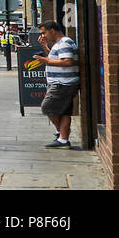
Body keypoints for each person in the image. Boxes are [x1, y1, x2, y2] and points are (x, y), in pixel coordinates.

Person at [38, 20, 78, 148]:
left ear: (52, 30)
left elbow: (67, 61)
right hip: (64, 83)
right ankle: (63, 139)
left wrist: (47, 61)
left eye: (44, 33)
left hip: (62, 84)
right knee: (65, 111)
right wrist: (45, 47)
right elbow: (58, 58)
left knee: (47, 107)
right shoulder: (60, 43)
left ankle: (61, 132)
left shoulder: (64, 43)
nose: (43, 35)